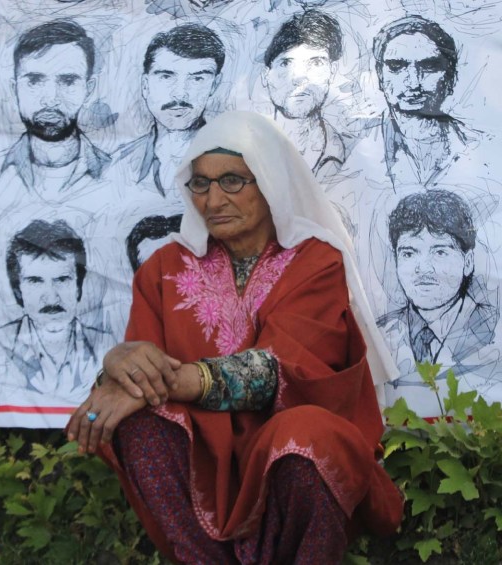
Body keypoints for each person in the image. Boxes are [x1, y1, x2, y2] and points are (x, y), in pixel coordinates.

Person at [67, 111, 403, 563]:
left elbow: (274, 371)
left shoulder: (314, 261)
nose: (212, 199)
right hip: (203, 458)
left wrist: (166, 380)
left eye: (231, 180)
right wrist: (119, 366)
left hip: (287, 455)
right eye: (200, 183)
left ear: (268, 182)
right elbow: (138, 378)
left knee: (305, 434)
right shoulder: (163, 269)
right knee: (138, 421)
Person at [378, 190, 497, 406]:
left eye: (439, 252)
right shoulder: (378, 334)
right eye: (408, 253)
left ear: (468, 262)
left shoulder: (493, 328)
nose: (423, 268)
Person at [0, 19, 110, 204]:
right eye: (34, 81)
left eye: (68, 81)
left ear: (89, 89)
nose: (51, 99)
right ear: (14, 89)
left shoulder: (116, 171)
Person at [0, 219, 109, 400]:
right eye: (35, 281)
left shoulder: (108, 345)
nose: (51, 298)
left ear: (78, 286)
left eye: (62, 280)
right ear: (18, 290)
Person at [111, 24, 225, 199]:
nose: (180, 93)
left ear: (214, 85)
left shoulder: (237, 162)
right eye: (166, 76)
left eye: (197, 78)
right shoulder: (118, 165)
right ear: (145, 86)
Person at [372, 15, 476, 188]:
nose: (413, 83)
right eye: (397, 67)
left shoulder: (475, 144)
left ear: (450, 77)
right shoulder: (351, 144)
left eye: (429, 67)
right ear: (380, 76)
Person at [262, 9, 348, 178]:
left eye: (316, 63)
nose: (299, 78)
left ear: (332, 71)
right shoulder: (245, 149)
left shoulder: (347, 152)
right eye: (286, 63)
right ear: (266, 76)